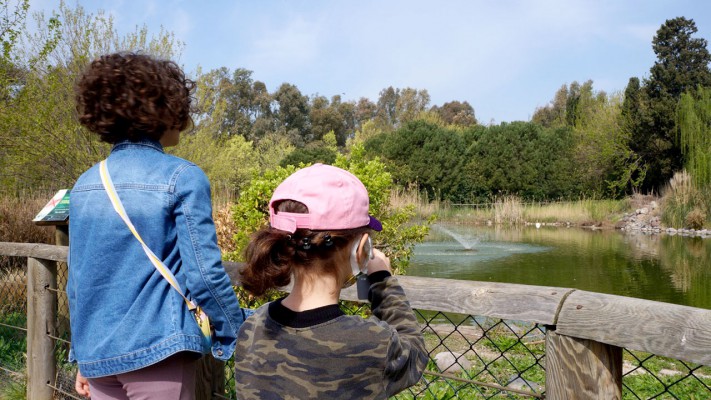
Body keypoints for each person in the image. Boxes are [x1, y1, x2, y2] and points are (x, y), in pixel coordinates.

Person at [68, 52, 245, 399]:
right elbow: (204, 274)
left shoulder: (84, 184)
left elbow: (79, 281)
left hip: (100, 357)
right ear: (162, 110)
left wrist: (83, 357)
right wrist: (233, 329)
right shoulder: (182, 177)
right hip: (159, 349)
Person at [234, 163, 428, 399]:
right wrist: (381, 281)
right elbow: (415, 354)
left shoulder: (253, 327)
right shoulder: (371, 342)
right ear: (361, 248)